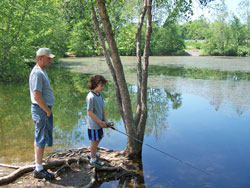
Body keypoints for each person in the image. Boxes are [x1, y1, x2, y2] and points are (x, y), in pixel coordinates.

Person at [29, 48, 56, 180]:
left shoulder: (42, 71)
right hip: (41, 110)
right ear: (40, 58)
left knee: (40, 137)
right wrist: (47, 110)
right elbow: (37, 94)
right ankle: (39, 169)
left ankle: (38, 164)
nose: (50, 61)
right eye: (48, 58)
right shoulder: (37, 73)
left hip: (42, 109)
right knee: (41, 138)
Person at [86, 75, 108, 166]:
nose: (102, 88)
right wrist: (99, 122)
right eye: (101, 86)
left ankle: (92, 152)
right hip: (93, 124)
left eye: (103, 86)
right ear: (95, 85)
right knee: (94, 141)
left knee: (100, 136)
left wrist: (105, 121)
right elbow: (90, 112)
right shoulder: (91, 97)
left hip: (100, 123)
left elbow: (102, 108)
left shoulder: (99, 95)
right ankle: (93, 160)